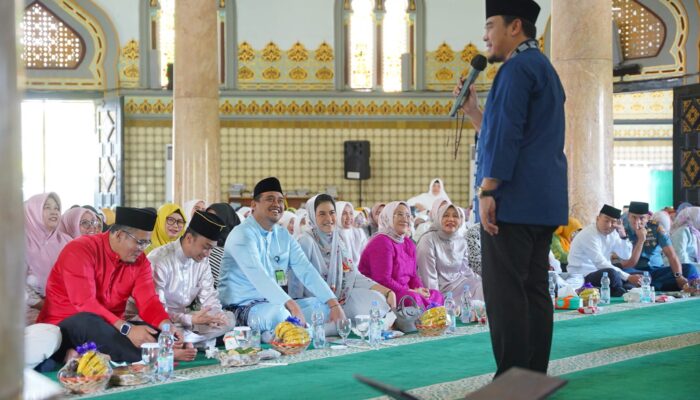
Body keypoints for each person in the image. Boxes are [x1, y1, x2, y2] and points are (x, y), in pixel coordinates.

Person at [455, 0, 568, 376]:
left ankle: (511, 383)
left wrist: (488, 191)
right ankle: (532, 378)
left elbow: (504, 139)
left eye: (490, 26)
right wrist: (473, 111)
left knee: (505, 296)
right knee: (534, 291)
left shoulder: (514, 71)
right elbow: (514, 135)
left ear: (515, 25)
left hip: (514, 204)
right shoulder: (543, 69)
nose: (485, 36)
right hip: (542, 204)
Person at [37, 207, 194, 364]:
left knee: (154, 331)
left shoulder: (140, 261)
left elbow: (148, 301)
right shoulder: (80, 249)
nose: (142, 249)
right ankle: (155, 357)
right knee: (89, 323)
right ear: (119, 235)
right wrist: (127, 329)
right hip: (65, 327)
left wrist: (167, 327)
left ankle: (162, 349)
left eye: (146, 243)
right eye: (140, 242)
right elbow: (85, 303)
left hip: (110, 326)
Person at [218, 177, 346, 340]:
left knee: (323, 308)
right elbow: (259, 277)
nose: (276, 204)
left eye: (280, 200)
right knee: (280, 315)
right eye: (270, 199)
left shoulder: (282, 235)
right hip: (243, 307)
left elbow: (306, 270)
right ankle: (301, 333)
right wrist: (291, 305)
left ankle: (279, 335)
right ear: (253, 205)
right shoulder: (242, 234)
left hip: (277, 303)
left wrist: (333, 303)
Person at [293, 194, 396, 324]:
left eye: (332, 213)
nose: (329, 219)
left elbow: (352, 275)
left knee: (377, 299)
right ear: (313, 216)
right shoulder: (306, 241)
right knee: (322, 312)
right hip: (315, 302)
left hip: (340, 297)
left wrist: (386, 291)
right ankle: (330, 324)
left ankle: (338, 322)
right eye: (322, 214)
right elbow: (296, 283)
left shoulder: (338, 240)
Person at [147, 211, 233, 345]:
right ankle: (194, 341)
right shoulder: (159, 260)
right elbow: (156, 309)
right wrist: (189, 320)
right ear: (189, 238)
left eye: (212, 249)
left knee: (229, 319)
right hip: (161, 321)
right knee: (160, 330)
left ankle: (186, 341)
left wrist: (217, 316)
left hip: (187, 321)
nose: (208, 254)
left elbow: (209, 296)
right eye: (206, 247)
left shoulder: (202, 261)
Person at [359, 201, 443, 308]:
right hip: (386, 292)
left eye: (408, 215)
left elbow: (413, 276)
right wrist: (412, 291)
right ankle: (429, 314)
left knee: (436, 295)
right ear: (388, 217)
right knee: (413, 299)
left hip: (405, 291)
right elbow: (383, 280)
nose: (405, 219)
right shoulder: (382, 241)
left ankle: (428, 312)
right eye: (400, 214)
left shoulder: (408, 243)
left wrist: (420, 289)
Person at [417, 203, 484, 305]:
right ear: (438, 218)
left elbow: (465, 270)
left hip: (459, 285)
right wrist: (436, 301)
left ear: (461, 220)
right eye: (446, 215)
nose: (451, 219)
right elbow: (428, 277)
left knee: (484, 287)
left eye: (455, 216)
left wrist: (485, 281)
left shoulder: (461, 241)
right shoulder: (428, 240)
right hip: (439, 290)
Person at [567, 205, 641, 297]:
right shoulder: (589, 234)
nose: (609, 225)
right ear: (597, 219)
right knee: (612, 274)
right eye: (606, 221)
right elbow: (600, 263)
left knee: (641, 275)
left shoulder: (613, 233)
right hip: (583, 276)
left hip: (603, 274)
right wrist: (628, 277)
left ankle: (621, 289)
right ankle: (623, 289)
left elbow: (626, 256)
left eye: (613, 222)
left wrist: (623, 235)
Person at [623, 201, 697, 291]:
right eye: (634, 217)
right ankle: (657, 286)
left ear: (648, 218)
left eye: (642, 218)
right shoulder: (622, 230)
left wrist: (678, 276)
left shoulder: (656, 228)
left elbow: (671, 255)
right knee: (621, 274)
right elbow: (625, 262)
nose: (637, 221)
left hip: (656, 271)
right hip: (634, 272)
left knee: (689, 269)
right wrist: (640, 239)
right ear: (628, 216)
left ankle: (652, 285)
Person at [24, 193, 71, 324]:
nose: (54, 212)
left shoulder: (66, 241)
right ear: (33, 212)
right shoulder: (20, 242)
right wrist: (46, 307)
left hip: (64, 308)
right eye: (47, 207)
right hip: (30, 312)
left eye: (57, 208)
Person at [206, 203, 241, 288]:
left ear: (226, 220)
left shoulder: (241, 247)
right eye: (208, 217)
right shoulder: (205, 248)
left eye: (215, 218)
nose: (209, 222)